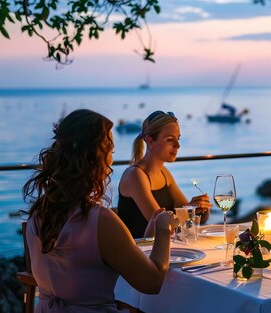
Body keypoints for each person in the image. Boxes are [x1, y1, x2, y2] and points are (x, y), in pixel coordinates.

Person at [23, 109, 179, 312]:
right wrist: (163, 229)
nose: (112, 161)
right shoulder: (101, 222)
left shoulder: (38, 213)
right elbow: (152, 282)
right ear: (97, 159)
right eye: (111, 152)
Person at [118, 110, 211, 239]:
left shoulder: (164, 172)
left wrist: (200, 209)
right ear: (150, 141)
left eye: (178, 139)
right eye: (170, 140)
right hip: (140, 252)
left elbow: (185, 215)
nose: (178, 145)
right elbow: (161, 224)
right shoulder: (135, 176)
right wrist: (189, 211)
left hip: (163, 248)